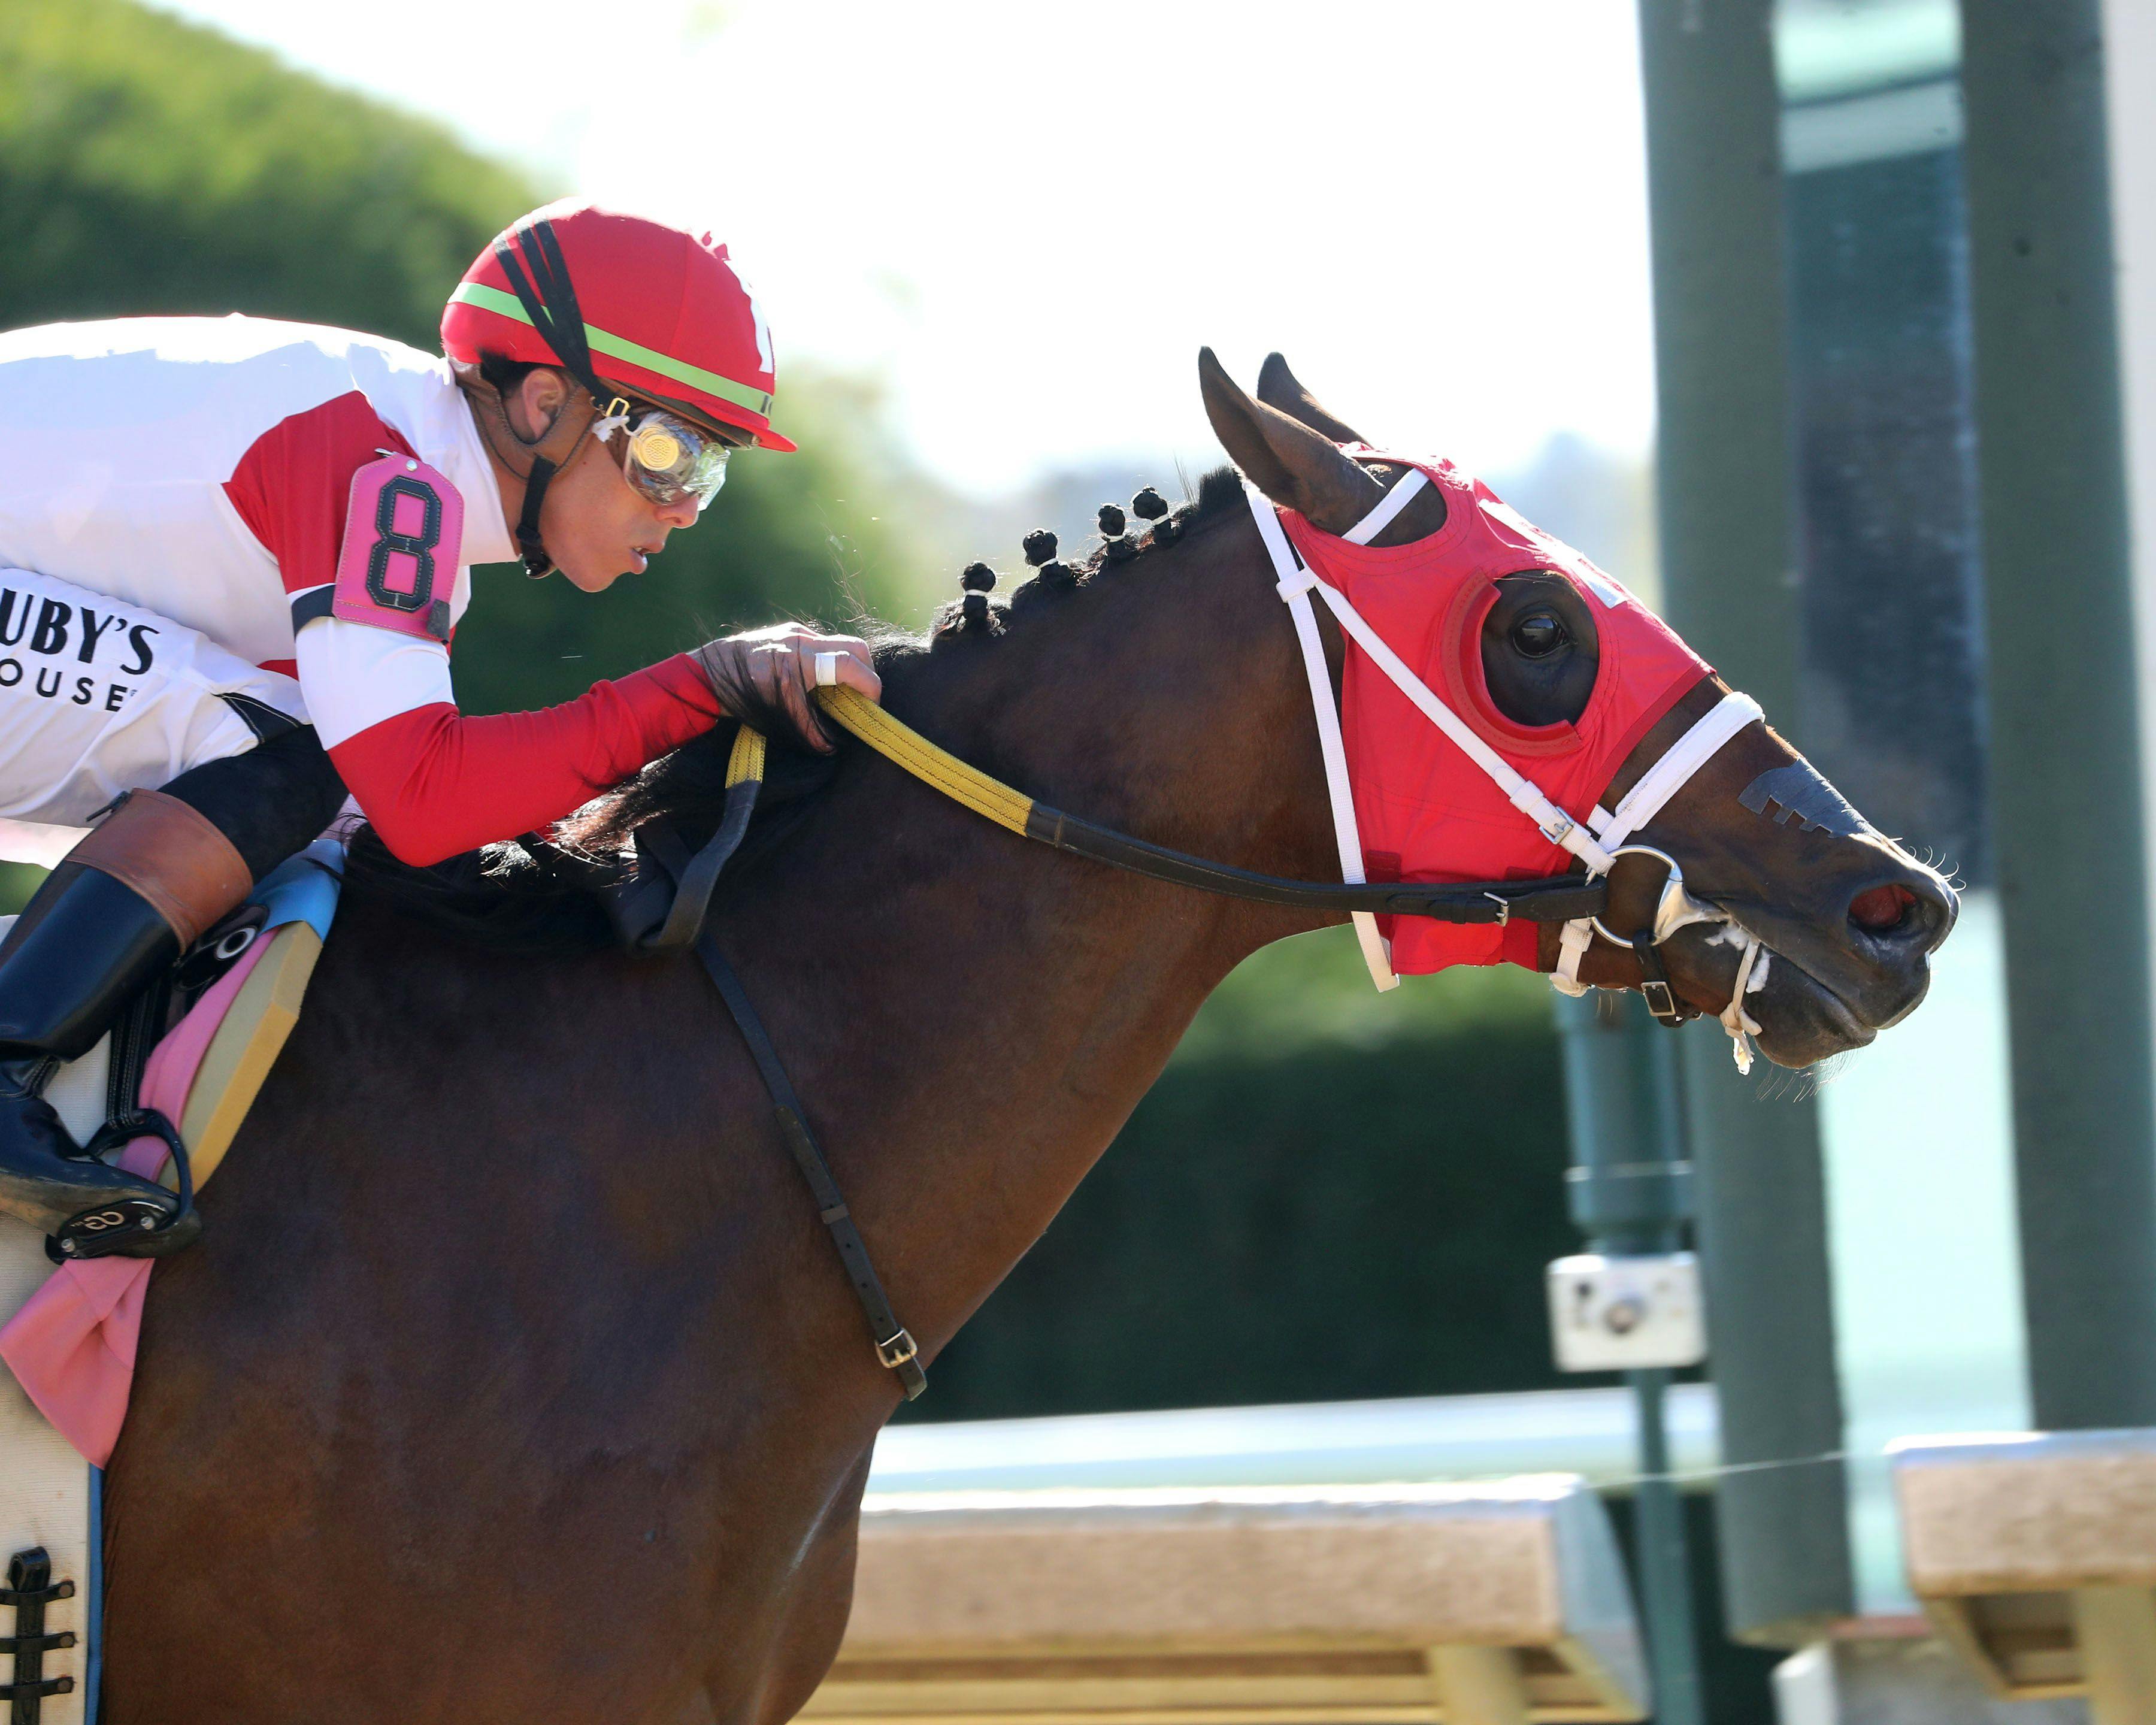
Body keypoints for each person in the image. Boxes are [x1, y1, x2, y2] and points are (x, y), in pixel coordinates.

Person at [0, 200, 880, 1258]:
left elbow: (390, 809)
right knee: (289, 759)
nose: (686, 505)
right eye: (667, 450)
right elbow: (425, 798)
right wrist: (698, 686)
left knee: (312, 804)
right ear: (543, 402)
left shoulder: (415, 502)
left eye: (712, 467)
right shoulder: (382, 465)